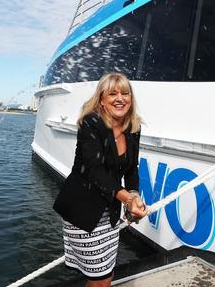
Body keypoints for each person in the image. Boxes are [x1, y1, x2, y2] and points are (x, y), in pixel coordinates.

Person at [53, 72, 148, 287]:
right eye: (112, 93)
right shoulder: (91, 123)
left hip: (110, 212)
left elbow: (132, 169)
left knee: (105, 276)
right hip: (83, 212)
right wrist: (127, 199)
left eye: (125, 93)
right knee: (100, 279)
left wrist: (134, 196)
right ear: (101, 99)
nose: (120, 98)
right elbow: (93, 170)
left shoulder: (134, 128)